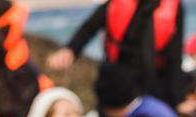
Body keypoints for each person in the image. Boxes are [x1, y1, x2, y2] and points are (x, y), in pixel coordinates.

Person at [49, 0, 185, 107]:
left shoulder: (175, 8)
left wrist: (178, 99)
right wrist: (70, 50)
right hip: (116, 81)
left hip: (151, 84)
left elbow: (174, 59)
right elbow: (89, 27)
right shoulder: (116, 3)